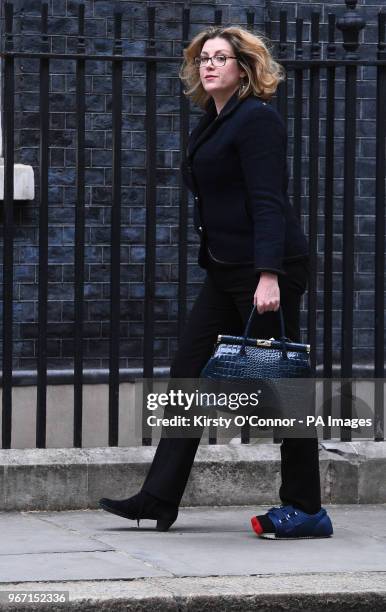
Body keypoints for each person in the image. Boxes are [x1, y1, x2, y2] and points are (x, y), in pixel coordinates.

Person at [99, 25, 333, 539]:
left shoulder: (257, 121)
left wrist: (269, 274)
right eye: (203, 58)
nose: (208, 66)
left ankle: (306, 508)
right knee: (187, 374)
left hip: (267, 270)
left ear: (243, 69)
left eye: (220, 58)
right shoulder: (212, 119)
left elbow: (269, 200)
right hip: (227, 268)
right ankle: (158, 498)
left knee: (282, 385)